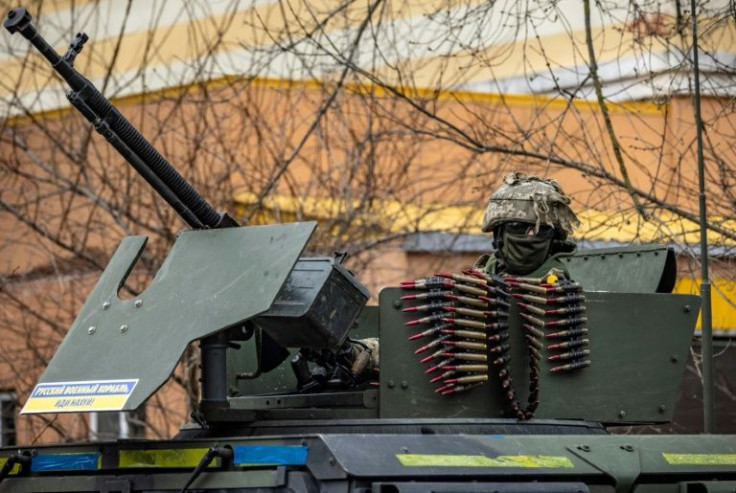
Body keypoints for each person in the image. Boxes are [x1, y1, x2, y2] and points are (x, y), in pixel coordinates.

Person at [474, 172, 580, 279]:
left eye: (541, 229)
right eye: (519, 227)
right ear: (499, 235)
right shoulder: (480, 280)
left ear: (553, 238)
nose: (530, 235)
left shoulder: (562, 287)